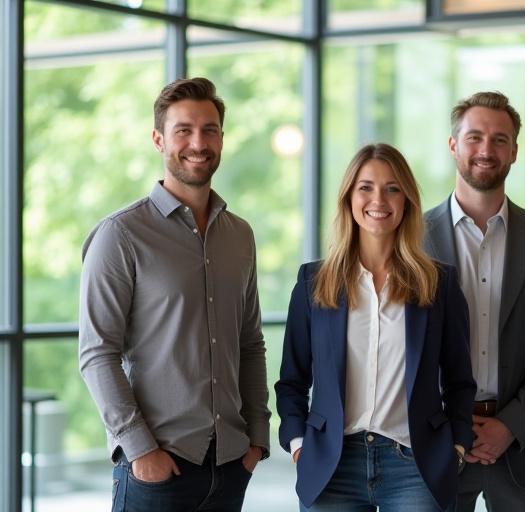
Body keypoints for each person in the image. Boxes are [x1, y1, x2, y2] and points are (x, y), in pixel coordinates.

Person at [78, 77, 270, 512]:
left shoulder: (239, 235)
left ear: (222, 137)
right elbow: (97, 353)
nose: (198, 143)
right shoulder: (121, 235)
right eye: (183, 130)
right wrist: (140, 450)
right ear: (158, 139)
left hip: (230, 465)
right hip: (159, 470)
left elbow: (249, 343)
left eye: (210, 130)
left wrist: (257, 437)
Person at [275, 143, 476, 512]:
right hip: (332, 464)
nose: (378, 199)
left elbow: (460, 380)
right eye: (365, 187)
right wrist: (298, 443)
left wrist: (457, 446)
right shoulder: (313, 281)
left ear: (407, 201)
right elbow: (292, 380)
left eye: (392, 188)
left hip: (415, 464)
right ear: (349, 197)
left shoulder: (438, 283)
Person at [423, 91, 525, 511]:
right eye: (474, 137)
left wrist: (510, 425)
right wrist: (454, 423)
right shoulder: (412, 239)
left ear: (514, 152)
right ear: (454, 144)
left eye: (499, 140)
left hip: (522, 444)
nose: (486, 150)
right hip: (435, 441)